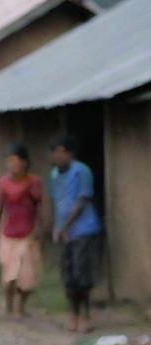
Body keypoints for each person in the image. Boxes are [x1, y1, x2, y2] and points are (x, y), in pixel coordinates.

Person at [49, 134, 103, 333]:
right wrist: (57, 228)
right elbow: (57, 202)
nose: (56, 156)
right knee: (68, 275)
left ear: (69, 153)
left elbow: (81, 202)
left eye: (59, 152)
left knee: (82, 274)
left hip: (84, 230)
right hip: (65, 233)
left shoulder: (82, 171)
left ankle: (86, 315)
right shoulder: (54, 174)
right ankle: (73, 314)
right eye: (54, 153)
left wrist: (63, 227)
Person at [0, 143, 42, 319]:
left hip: (27, 234)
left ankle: (20, 308)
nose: (13, 165)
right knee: (9, 275)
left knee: (26, 276)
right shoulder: (3, 183)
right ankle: (9, 306)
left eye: (16, 161)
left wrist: (40, 228)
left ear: (24, 163)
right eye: (9, 161)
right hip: (8, 234)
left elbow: (39, 207)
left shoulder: (33, 182)